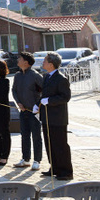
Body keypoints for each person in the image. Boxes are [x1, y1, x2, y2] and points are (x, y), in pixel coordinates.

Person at [38, 51, 73, 180]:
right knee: (49, 143)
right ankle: (55, 167)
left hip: (58, 117)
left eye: (45, 61)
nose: (43, 62)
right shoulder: (46, 77)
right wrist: (39, 104)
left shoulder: (61, 79)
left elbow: (65, 97)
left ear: (51, 64)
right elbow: (44, 95)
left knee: (60, 144)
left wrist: (50, 101)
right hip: (47, 116)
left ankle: (66, 171)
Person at [11, 51, 43, 171]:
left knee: (36, 136)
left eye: (19, 58)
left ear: (26, 62)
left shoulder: (35, 75)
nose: (17, 60)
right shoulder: (17, 75)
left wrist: (37, 105)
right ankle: (25, 159)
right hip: (23, 110)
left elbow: (45, 90)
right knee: (24, 135)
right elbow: (14, 90)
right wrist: (18, 102)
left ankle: (37, 160)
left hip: (34, 111)